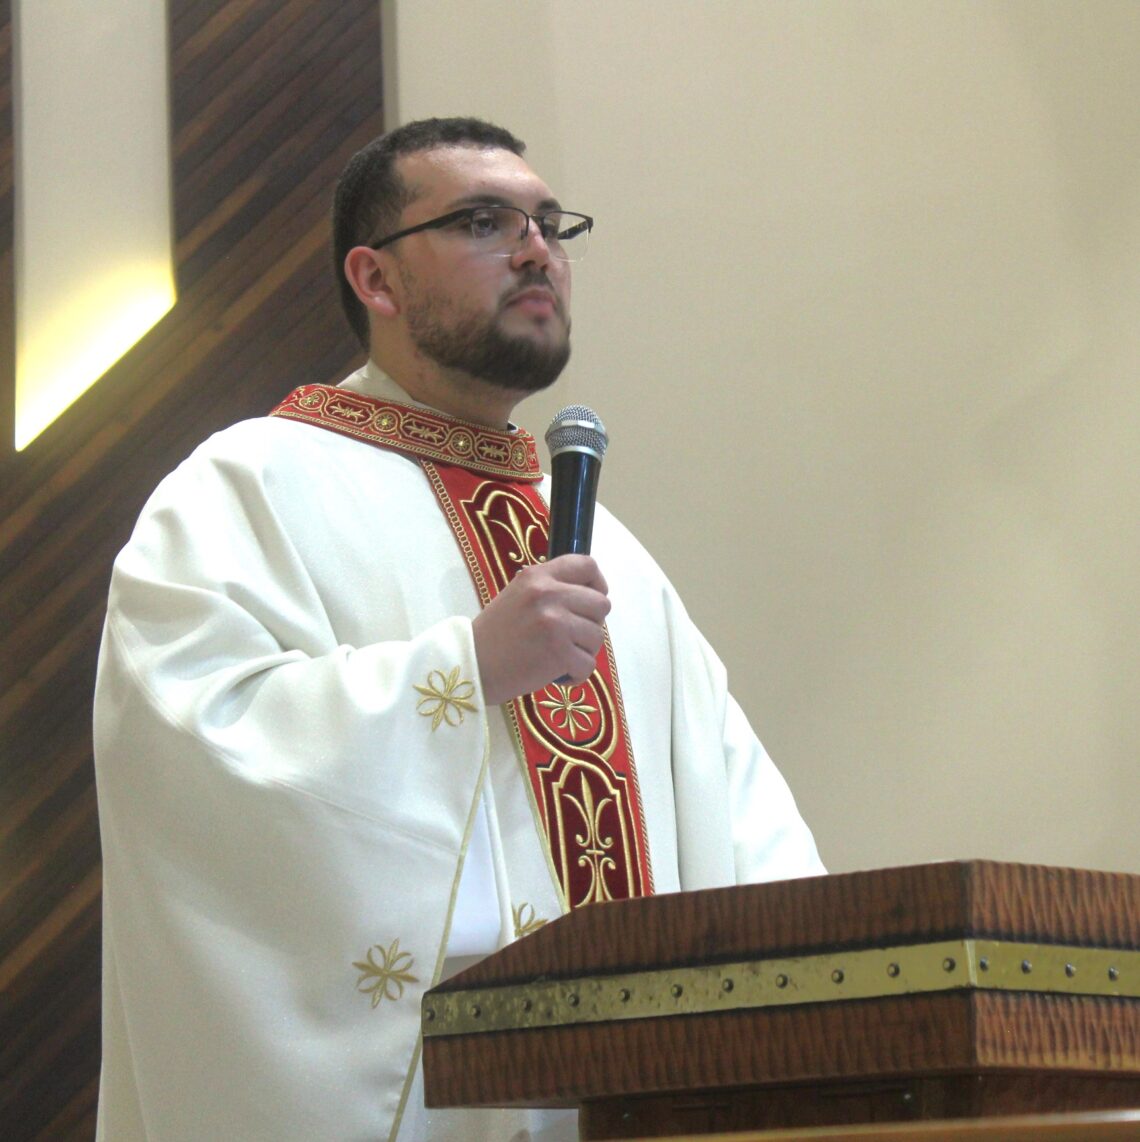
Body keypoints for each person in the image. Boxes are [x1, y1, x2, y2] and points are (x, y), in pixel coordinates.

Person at [93, 116, 825, 1141]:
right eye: (485, 221)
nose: (537, 250)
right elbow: (186, 748)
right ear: (376, 279)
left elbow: (738, 814)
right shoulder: (249, 485)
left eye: (549, 223)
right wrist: (463, 668)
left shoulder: (616, 549)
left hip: (644, 1099)